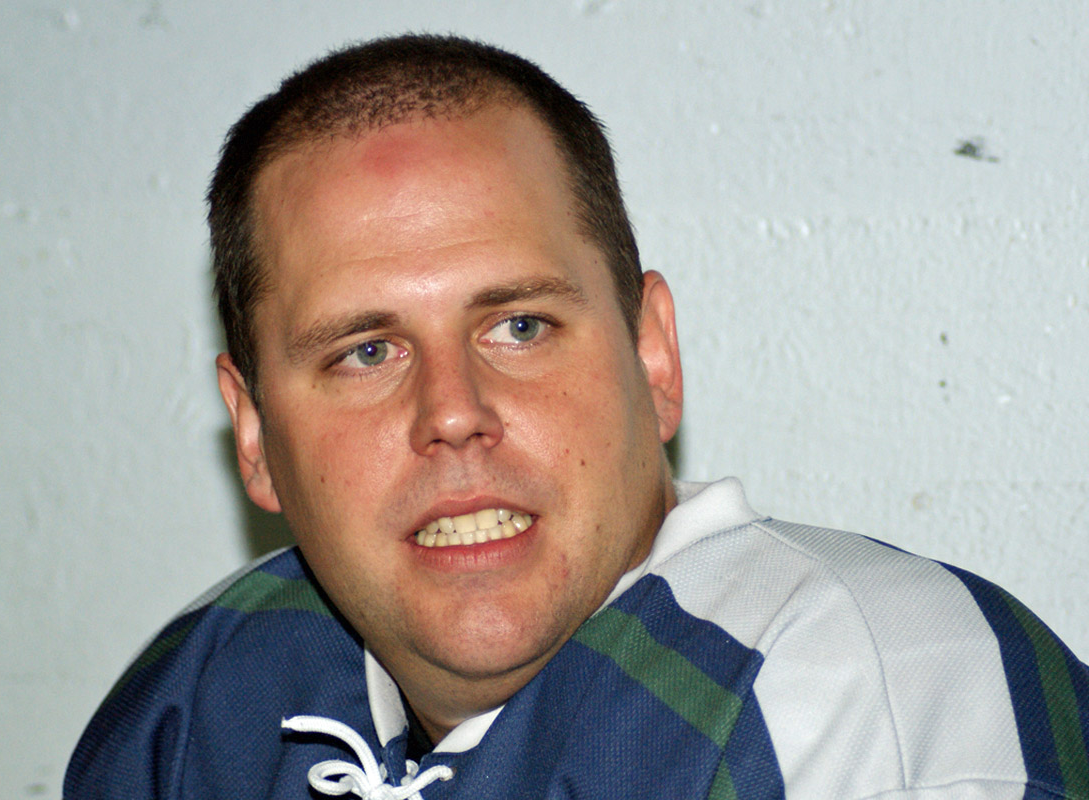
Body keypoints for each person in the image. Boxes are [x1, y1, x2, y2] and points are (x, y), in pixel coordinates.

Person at [65, 34, 1089, 799]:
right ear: (254, 435)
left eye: (519, 326)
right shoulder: (196, 703)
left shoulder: (880, 689)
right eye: (366, 351)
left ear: (653, 356)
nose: (453, 414)